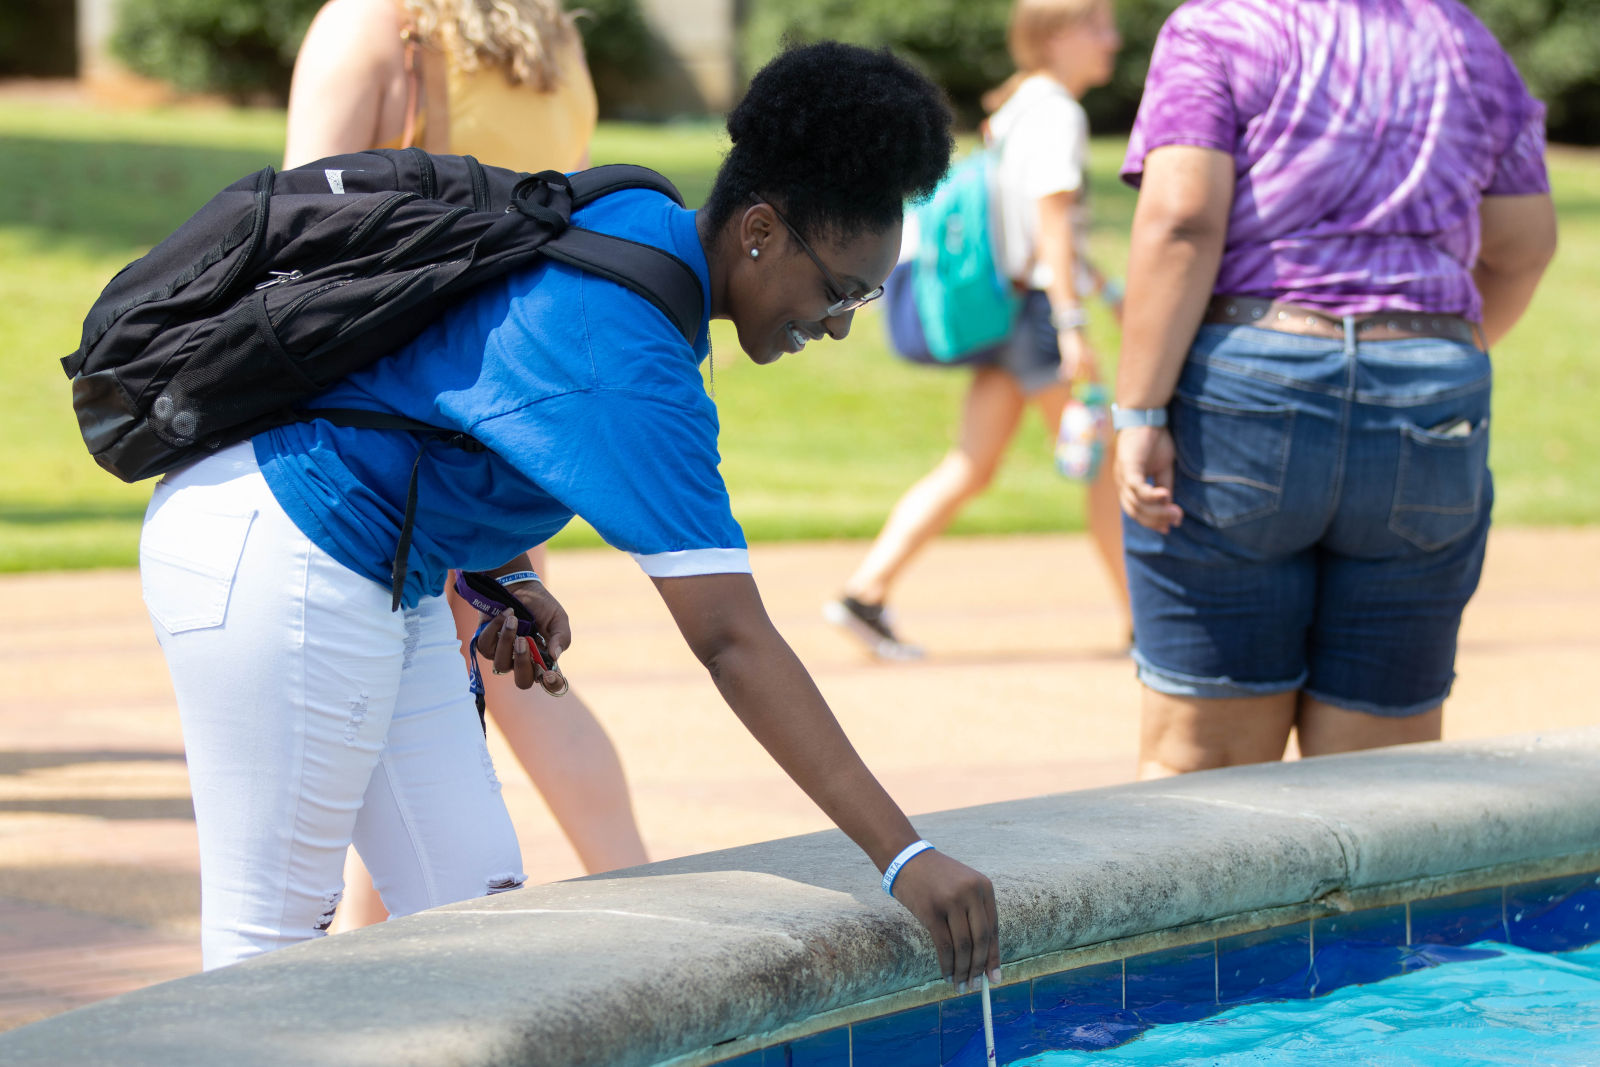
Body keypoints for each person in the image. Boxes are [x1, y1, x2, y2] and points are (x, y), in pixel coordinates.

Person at [140, 41, 1003, 988]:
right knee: (270, 947)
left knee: (473, 909)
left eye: (864, 297)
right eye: (840, 290)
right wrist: (903, 855)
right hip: (284, 547)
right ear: (759, 230)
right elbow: (731, 639)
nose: (838, 323)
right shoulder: (630, 353)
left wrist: (500, 566)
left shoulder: (638, 216)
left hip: (374, 564)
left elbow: (454, 382)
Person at [1112, 0, 1557, 778]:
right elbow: (1525, 246)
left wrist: (1141, 411)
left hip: (1250, 387)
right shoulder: (1466, 40)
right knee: (1382, 784)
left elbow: (1183, 217)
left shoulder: (1221, 27)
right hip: (1428, 391)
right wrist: (1431, 352)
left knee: (1205, 770)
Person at [283, 0, 645, 933]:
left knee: (451, 680)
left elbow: (286, 235)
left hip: (397, 401)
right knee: (471, 673)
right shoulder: (555, 39)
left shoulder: (377, 25)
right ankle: (636, 885)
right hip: (518, 389)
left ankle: (649, 897)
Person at [827, 0, 1128, 660]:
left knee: (973, 463)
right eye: (1098, 26)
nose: (1114, 39)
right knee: (1103, 462)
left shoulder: (1022, 107)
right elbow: (1048, 225)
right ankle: (1148, 625)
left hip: (1004, 309)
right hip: (1033, 314)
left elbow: (1035, 226)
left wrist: (1105, 288)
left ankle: (866, 593)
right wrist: (1076, 321)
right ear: (1057, 37)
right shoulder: (1057, 113)